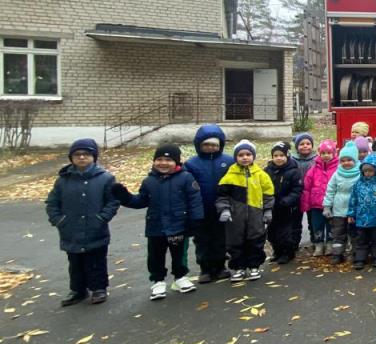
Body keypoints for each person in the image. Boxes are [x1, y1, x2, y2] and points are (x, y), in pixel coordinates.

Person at [112, 143, 203, 300]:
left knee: (179, 253)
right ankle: (158, 281)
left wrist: (195, 220)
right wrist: (124, 197)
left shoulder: (186, 178)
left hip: (178, 225)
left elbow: (194, 200)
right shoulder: (149, 181)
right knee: (155, 255)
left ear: (176, 162)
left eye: (168, 160)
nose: (163, 163)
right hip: (156, 226)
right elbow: (140, 201)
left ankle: (180, 277)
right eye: (159, 159)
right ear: (154, 162)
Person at [45, 138, 120, 306]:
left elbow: (113, 201)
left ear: (93, 157)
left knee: (96, 260)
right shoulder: (63, 180)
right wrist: (58, 220)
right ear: (71, 157)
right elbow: (52, 202)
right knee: (75, 262)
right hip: (70, 228)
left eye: (86, 154)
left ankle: (99, 288)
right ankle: (78, 290)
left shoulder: (105, 178)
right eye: (77, 155)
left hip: (96, 227)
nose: (81, 158)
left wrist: (103, 217)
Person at [216, 140, 275, 282]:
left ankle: (254, 266)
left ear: (253, 156)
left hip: (256, 215)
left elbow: (268, 194)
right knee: (235, 242)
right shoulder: (229, 176)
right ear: (236, 157)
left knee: (255, 241)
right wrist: (224, 210)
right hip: (235, 217)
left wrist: (267, 211)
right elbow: (222, 196)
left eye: (248, 154)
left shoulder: (261, 175)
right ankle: (238, 268)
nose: (245, 157)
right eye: (241, 155)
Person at [184, 124, 233, 283]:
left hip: (222, 208)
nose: (210, 147)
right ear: (199, 145)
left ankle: (220, 267)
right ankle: (205, 268)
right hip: (201, 209)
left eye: (214, 144)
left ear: (220, 145)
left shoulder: (228, 161)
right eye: (206, 144)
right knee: (202, 240)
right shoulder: (192, 164)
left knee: (221, 238)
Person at [346, 152, 376, 270]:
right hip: (361, 218)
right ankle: (360, 258)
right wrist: (351, 213)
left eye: (370, 171)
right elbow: (353, 199)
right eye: (365, 171)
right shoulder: (358, 184)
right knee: (361, 239)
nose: (367, 173)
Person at [265, 142, 304, 265]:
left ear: (287, 155)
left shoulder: (294, 171)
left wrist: (287, 201)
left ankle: (287, 252)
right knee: (272, 232)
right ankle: (277, 251)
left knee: (285, 233)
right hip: (272, 207)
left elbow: (297, 190)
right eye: (275, 155)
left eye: (281, 155)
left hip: (287, 208)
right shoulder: (267, 171)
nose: (278, 158)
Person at [322, 142, 361, 263]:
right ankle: (337, 254)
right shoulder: (337, 173)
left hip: (354, 211)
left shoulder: (360, 174)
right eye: (343, 160)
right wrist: (327, 206)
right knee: (338, 233)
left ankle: (356, 253)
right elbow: (330, 190)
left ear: (355, 160)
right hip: (338, 210)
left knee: (355, 234)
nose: (346, 163)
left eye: (349, 160)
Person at [301, 140, 338, 256]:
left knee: (331, 225)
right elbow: (307, 187)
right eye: (323, 153)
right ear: (319, 154)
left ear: (334, 153)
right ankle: (318, 244)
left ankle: (330, 244)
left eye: (328, 152)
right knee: (317, 225)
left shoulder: (338, 169)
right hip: (316, 205)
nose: (326, 155)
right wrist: (306, 204)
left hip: (332, 204)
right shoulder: (313, 169)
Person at [291, 132, 318, 251]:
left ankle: (315, 240)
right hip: (297, 194)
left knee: (313, 219)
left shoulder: (316, 159)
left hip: (312, 194)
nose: (305, 146)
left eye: (308, 143)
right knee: (295, 220)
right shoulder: (292, 160)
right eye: (302, 144)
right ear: (297, 147)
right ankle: (294, 242)